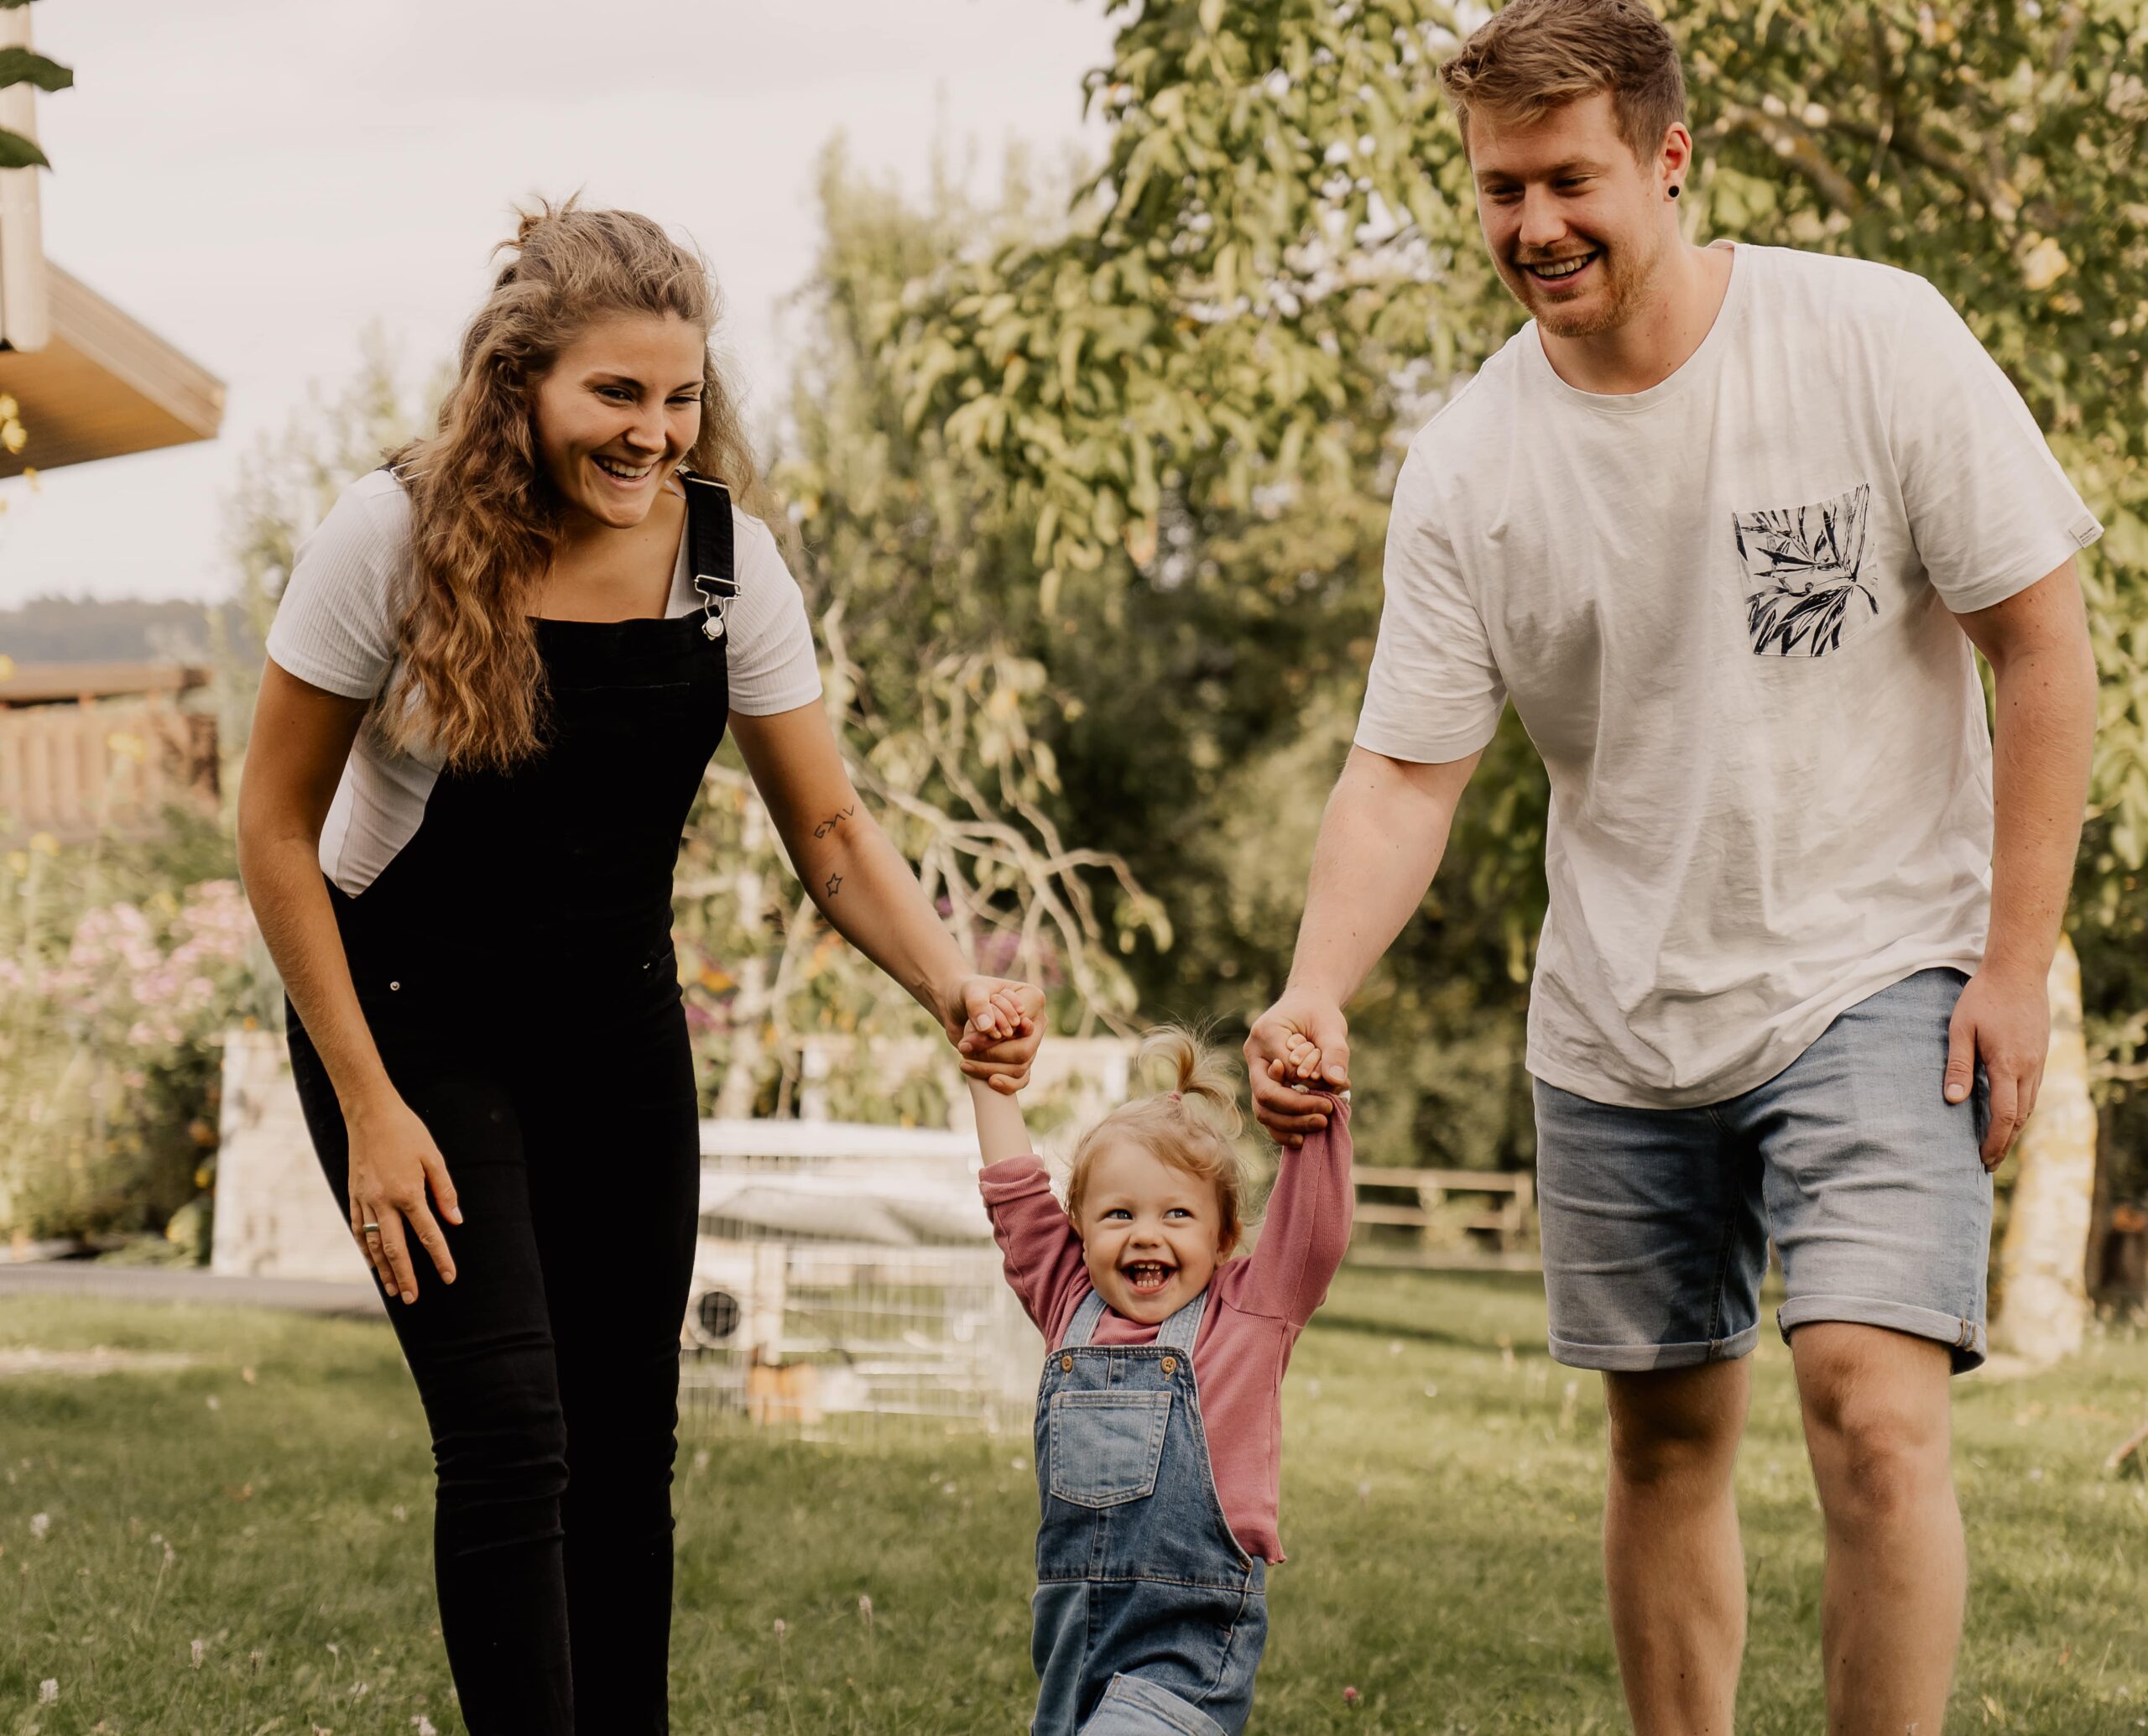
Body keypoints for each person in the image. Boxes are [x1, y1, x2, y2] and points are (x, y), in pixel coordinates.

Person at [1243, 2, 2101, 1730]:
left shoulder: (1868, 337)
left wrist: (2011, 962)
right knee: (1661, 1436)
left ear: (1668, 158)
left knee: (1870, 1405)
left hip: (1877, 964)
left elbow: (2043, 638)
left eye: (1568, 179)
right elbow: (1405, 773)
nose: (1532, 226)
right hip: (1617, 1011)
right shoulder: (1471, 460)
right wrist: (1313, 982)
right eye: (1497, 190)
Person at [235, 201, 1043, 1736]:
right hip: (406, 1025)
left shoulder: (727, 560)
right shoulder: (392, 534)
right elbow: (275, 833)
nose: (655, 433)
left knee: (626, 1445)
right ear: (521, 384)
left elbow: (833, 826)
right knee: (510, 1437)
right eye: (616, 394)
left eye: (679, 397)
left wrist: (953, 985)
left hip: (611, 1029)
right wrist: (367, 1102)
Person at [970, 1029, 1353, 1736]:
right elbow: (1014, 1198)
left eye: (1177, 1213)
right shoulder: (1067, 1300)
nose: (1147, 1234)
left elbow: (1316, 1230)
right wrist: (990, 1074)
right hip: (1069, 1647)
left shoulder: (1251, 1313)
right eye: (1119, 1213)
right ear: (1079, 1232)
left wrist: (1314, 1103)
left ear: (1223, 1236)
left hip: (1188, 1644)